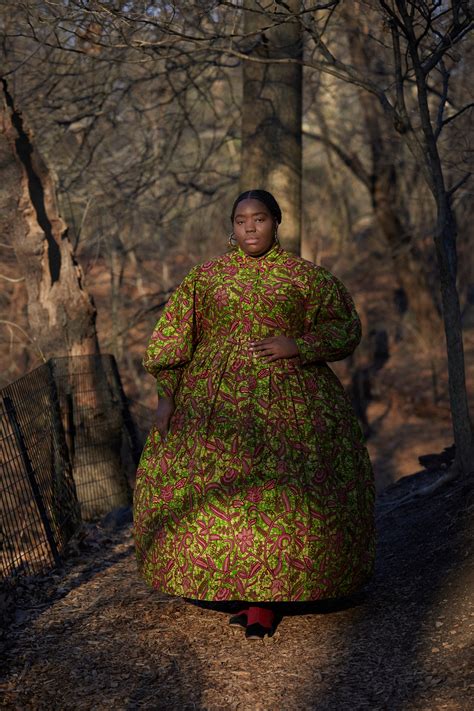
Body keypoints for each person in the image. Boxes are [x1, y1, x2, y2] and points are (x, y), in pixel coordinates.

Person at [133, 189, 376, 639]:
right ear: (231, 226)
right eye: (241, 220)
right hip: (213, 405)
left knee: (281, 491)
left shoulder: (305, 278)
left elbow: (346, 328)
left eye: (259, 219)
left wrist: (298, 346)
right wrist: (167, 399)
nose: (250, 228)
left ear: (276, 223)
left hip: (292, 402)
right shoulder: (204, 279)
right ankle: (236, 588)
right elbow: (172, 341)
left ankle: (266, 600)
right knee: (220, 492)